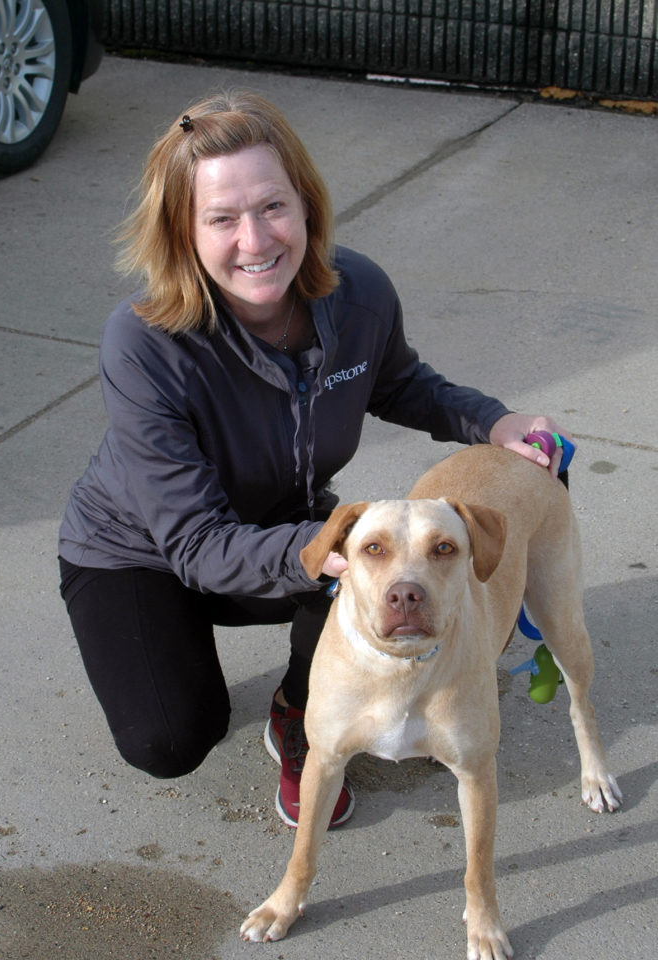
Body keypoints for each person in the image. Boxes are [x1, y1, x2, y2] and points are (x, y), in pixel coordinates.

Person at [58, 91, 572, 829]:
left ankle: (300, 714)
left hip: (278, 526)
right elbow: (198, 544)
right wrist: (326, 551)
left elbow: (397, 383)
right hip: (138, 554)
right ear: (183, 231)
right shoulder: (143, 344)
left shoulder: (356, 292)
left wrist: (496, 422)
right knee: (168, 740)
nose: (255, 239)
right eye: (222, 218)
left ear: (306, 205)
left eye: (272, 206)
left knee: (356, 570)